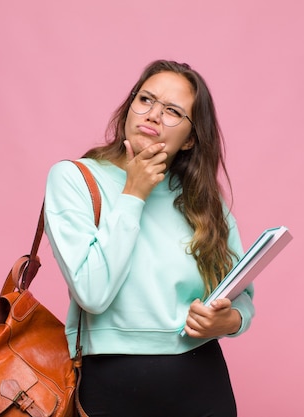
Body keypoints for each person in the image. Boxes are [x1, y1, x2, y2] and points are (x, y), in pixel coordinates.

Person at [44, 59, 255, 417]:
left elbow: (242, 294)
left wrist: (230, 321)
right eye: (146, 100)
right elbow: (92, 294)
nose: (154, 115)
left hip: (202, 381)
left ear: (190, 139)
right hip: (108, 386)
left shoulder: (204, 200)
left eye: (173, 110)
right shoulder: (75, 180)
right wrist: (134, 194)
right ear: (130, 107)